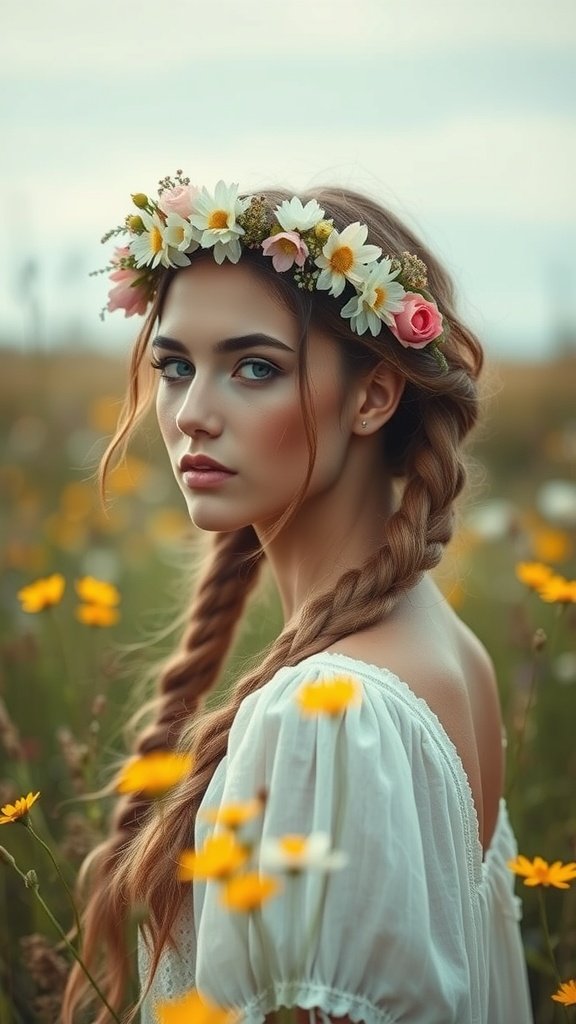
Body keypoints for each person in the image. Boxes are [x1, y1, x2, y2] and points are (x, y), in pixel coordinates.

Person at [63, 176, 533, 1023]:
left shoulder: (330, 714)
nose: (193, 414)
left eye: (253, 368)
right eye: (174, 366)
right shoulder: (444, 645)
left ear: (374, 395)